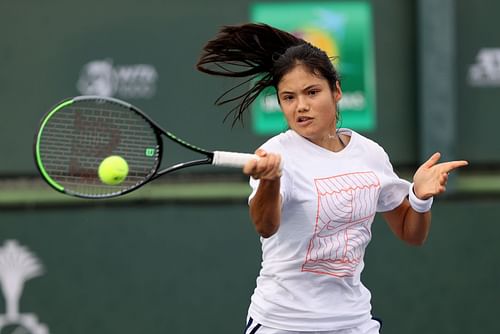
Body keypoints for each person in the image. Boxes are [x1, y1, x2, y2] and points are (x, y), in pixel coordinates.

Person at [197, 23, 468, 334]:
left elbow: (412, 234)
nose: (301, 106)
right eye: (288, 97)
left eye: (312, 92)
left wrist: (420, 198)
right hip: (283, 324)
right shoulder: (274, 152)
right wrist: (270, 181)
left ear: (336, 91)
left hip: (353, 323)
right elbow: (265, 225)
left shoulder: (370, 154)